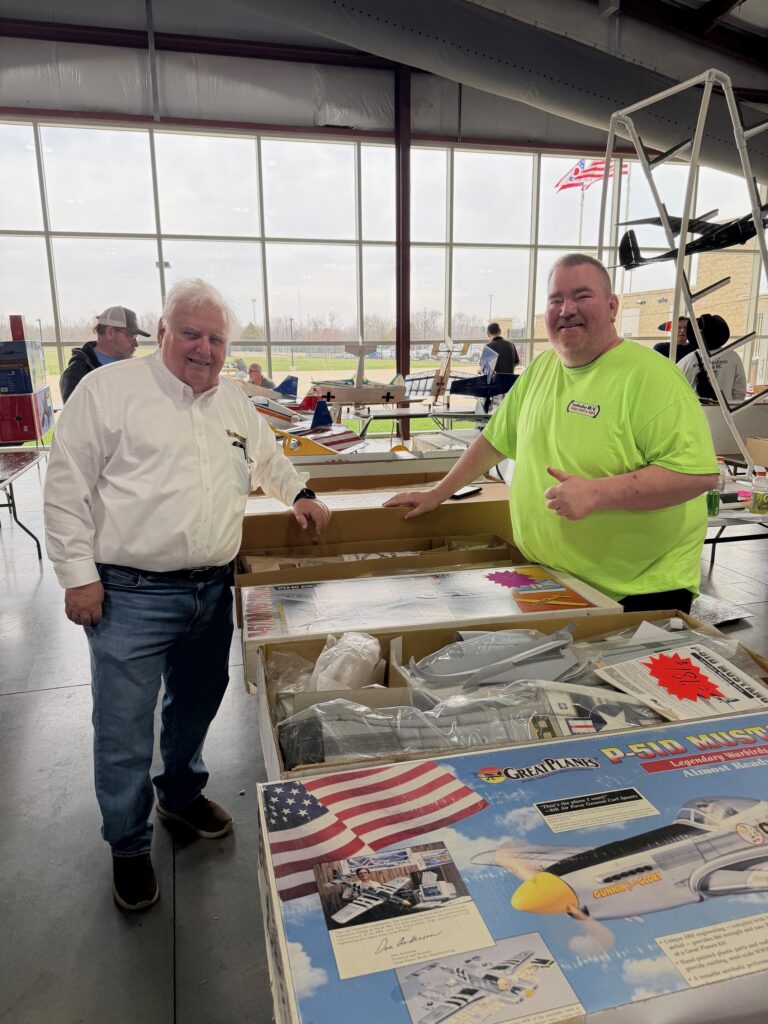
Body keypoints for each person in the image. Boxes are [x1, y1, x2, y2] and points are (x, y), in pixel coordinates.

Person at [43, 279, 330, 912]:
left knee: (196, 704)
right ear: (163, 333)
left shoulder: (231, 401)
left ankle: (178, 792)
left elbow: (267, 458)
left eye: (216, 338)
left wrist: (301, 494)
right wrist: (76, 574)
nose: (204, 349)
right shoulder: (109, 392)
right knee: (122, 729)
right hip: (129, 593)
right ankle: (127, 846)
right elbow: (65, 487)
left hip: (209, 590)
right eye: (191, 335)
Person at [385, 254, 719, 613]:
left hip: (637, 592)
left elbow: (695, 475)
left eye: (582, 296)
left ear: (611, 306)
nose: (567, 309)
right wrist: (438, 493)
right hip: (552, 580)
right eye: (556, 300)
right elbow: (493, 441)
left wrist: (597, 493)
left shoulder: (651, 377)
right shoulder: (542, 368)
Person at [60, 306, 150, 403]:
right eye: (130, 336)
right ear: (110, 332)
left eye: (136, 337)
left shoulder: (130, 366)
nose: (136, 344)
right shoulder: (76, 375)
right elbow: (78, 416)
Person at [678, 314, 746, 405]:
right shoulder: (733, 357)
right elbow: (740, 390)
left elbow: (678, 392)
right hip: (725, 413)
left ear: (696, 336)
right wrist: (732, 405)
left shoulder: (685, 362)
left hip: (696, 413)